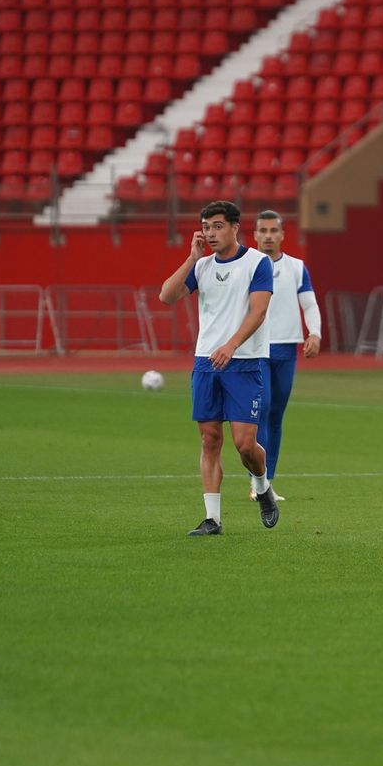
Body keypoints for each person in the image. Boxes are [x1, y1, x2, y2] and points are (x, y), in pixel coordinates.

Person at [158, 200, 279, 536]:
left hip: (243, 363)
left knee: (244, 445)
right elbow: (166, 296)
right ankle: (213, 519)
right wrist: (192, 259)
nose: (211, 233)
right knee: (209, 440)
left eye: (217, 226)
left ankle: (262, 485)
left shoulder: (257, 263)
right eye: (206, 227)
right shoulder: (202, 266)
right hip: (206, 365)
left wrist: (231, 344)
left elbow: (258, 312)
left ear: (235, 228)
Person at [248, 209, 322, 503]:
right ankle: (257, 482)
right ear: (254, 235)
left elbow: (310, 304)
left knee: (276, 415)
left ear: (282, 235)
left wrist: (314, 332)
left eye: (273, 231)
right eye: (262, 231)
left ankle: (269, 481)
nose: (268, 236)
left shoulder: (296, 267)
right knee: (262, 410)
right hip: (256, 348)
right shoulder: (247, 265)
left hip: (286, 349)